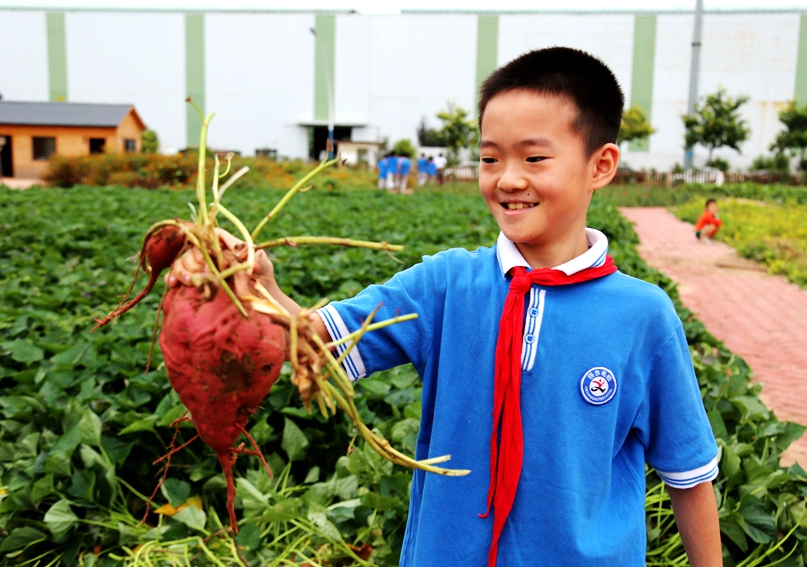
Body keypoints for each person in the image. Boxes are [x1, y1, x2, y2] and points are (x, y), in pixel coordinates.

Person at [169, 47, 721, 567]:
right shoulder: (445, 285)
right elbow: (321, 345)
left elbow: (689, 477)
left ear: (600, 165)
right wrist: (254, 289)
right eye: (489, 158)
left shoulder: (642, 315)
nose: (507, 178)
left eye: (534, 157)